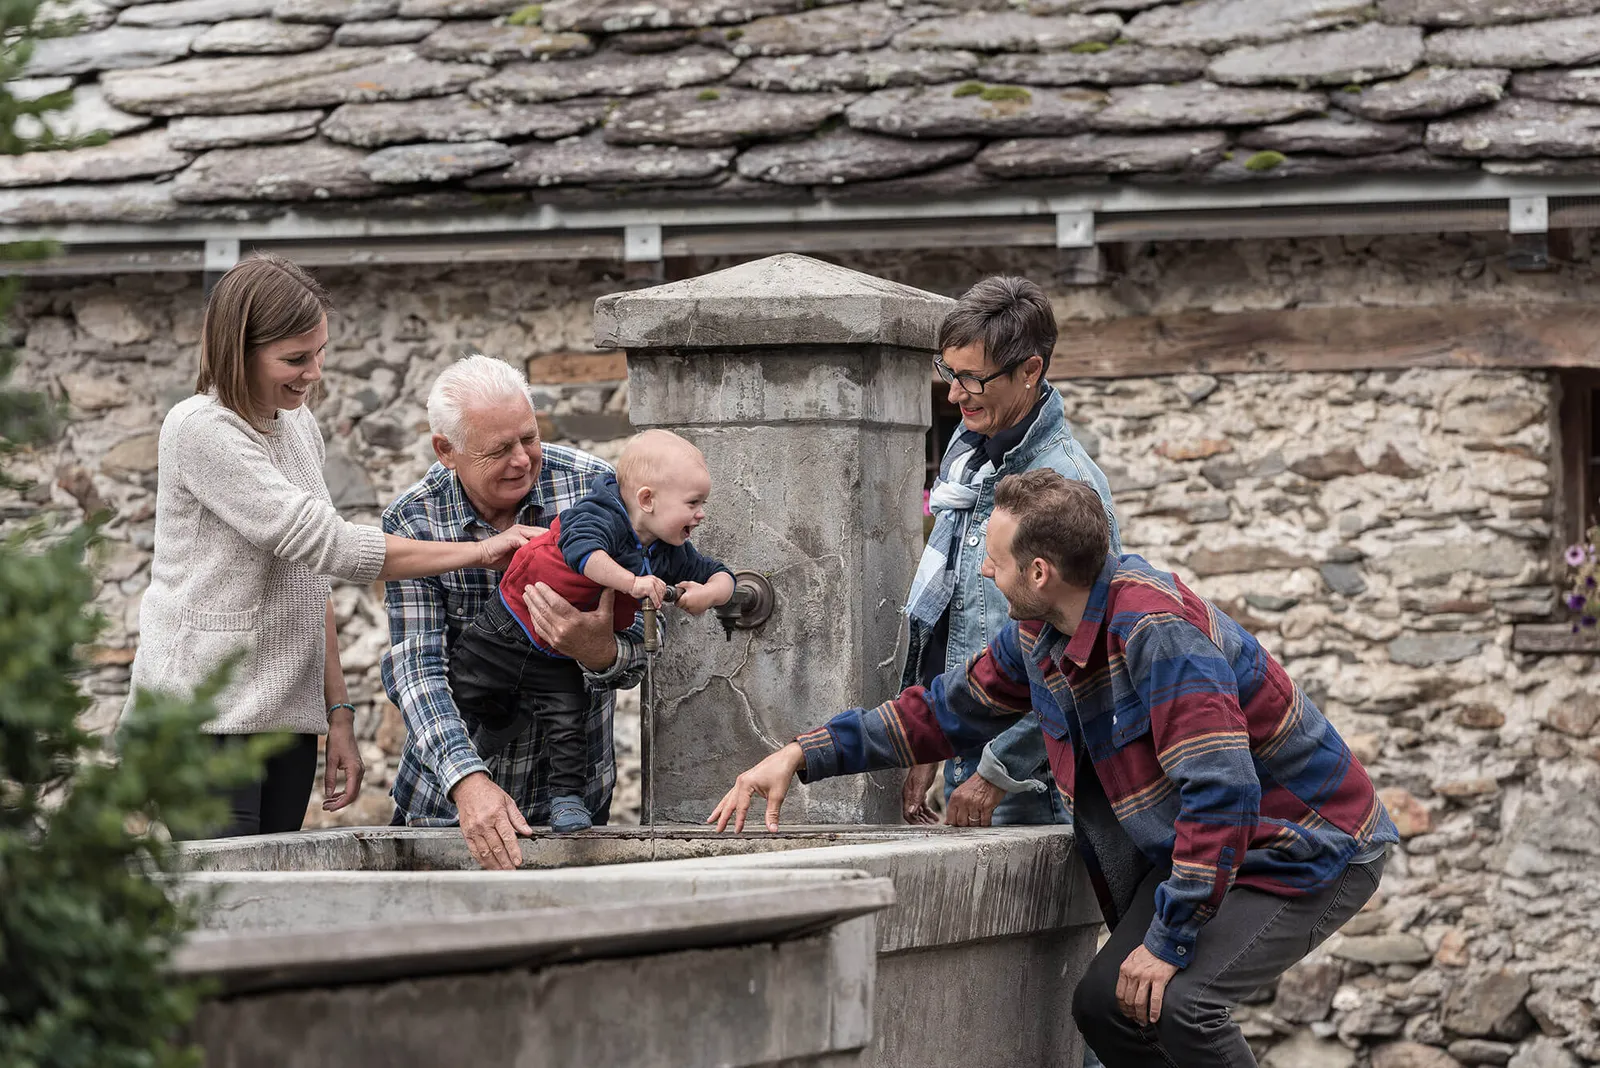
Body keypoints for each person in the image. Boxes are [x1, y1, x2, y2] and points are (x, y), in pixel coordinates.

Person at [710, 470, 1398, 1068]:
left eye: (995, 559)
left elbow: (1222, 794)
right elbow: (942, 713)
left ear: (1040, 572)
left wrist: (1169, 939)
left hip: (1310, 845)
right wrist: (803, 754)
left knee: (1181, 1004)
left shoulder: (1158, 635)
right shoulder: (1041, 632)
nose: (985, 570)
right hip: (1225, 844)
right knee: (1105, 1006)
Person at [128, 255, 537, 839]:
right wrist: (479, 550)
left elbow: (308, 576)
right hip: (202, 717)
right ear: (237, 350)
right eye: (295, 359)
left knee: (273, 902)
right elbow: (333, 547)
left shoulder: (297, 425)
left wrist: (336, 713)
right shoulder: (200, 430)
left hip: (281, 714)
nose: (314, 372)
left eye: (319, 351)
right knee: (230, 907)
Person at [383, 354, 646, 868]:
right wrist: (467, 780)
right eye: (499, 449)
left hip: (572, 805)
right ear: (446, 451)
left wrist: (601, 652)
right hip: (447, 808)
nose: (523, 459)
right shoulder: (413, 520)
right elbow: (417, 669)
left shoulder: (595, 491)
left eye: (529, 437)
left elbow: (649, 650)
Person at [899, 275, 1119, 830]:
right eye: (949, 373)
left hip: (1033, 788)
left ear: (1030, 371)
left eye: (971, 379)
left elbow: (1090, 664)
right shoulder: (968, 457)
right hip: (970, 766)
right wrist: (929, 744)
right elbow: (954, 617)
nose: (952, 395)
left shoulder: (1070, 487)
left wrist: (997, 772)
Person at [448, 429, 734, 833]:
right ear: (647, 500)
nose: (701, 514)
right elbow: (585, 555)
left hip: (559, 655)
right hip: (505, 629)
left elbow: (720, 573)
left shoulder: (668, 550)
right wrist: (632, 583)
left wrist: (709, 594)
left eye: (702, 503)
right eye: (693, 504)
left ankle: (566, 800)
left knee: (570, 722)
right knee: (465, 683)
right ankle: (489, 737)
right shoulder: (598, 511)